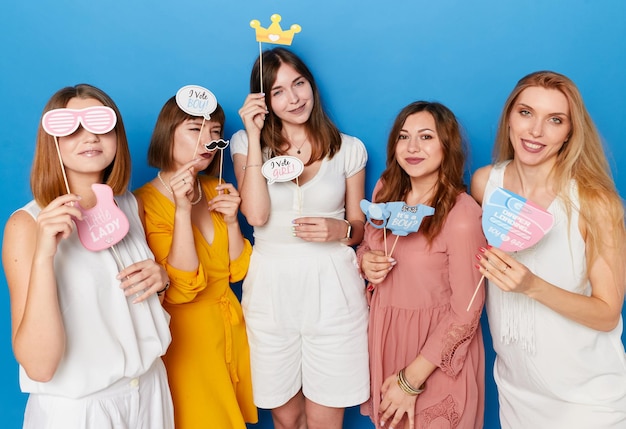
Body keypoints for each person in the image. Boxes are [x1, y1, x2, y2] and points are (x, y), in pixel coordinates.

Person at [1, 84, 174, 428]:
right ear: (52, 140)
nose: (89, 136)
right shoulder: (27, 225)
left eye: (99, 123)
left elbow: (127, 307)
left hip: (151, 391)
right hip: (81, 410)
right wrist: (44, 254)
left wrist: (160, 281)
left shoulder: (129, 206)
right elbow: (39, 366)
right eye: (71, 128)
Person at [471, 71, 626, 428]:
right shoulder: (484, 184)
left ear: (570, 131)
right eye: (526, 113)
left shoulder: (594, 203)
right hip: (516, 393)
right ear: (509, 116)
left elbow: (607, 314)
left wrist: (532, 286)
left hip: (588, 401)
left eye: (554, 120)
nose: (535, 131)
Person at [231, 47, 369, 429]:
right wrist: (256, 134)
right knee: (287, 418)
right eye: (278, 91)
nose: (293, 99)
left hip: (333, 288)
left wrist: (339, 230)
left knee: (326, 419)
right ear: (264, 99)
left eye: (299, 84)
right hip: (272, 290)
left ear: (311, 85)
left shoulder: (349, 148)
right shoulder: (246, 143)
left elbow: (358, 227)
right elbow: (256, 215)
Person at [358, 101, 486, 429]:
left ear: (447, 145)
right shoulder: (386, 190)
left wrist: (409, 381)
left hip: (433, 359)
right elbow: (367, 246)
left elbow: (467, 311)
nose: (412, 147)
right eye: (404, 137)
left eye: (426, 137)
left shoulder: (462, 215)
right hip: (387, 342)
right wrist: (366, 262)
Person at [134, 95, 257, 428]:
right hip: (187, 341)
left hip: (231, 330)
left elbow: (237, 271)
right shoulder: (143, 202)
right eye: (194, 129)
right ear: (167, 133)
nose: (207, 141)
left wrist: (232, 222)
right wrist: (183, 210)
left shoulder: (216, 187)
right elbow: (181, 284)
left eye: (214, 131)